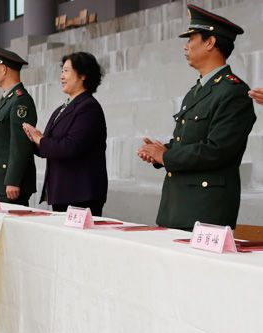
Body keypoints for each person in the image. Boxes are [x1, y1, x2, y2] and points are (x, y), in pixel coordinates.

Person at [137, 4, 256, 230]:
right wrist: (158, 151)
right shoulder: (196, 91)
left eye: (191, 38)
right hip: (177, 206)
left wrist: (167, 156)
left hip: (205, 209)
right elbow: (187, 142)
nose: (186, 45)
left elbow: (217, 149)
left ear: (210, 42)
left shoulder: (234, 91)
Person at [22, 52, 108, 215]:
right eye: (62, 71)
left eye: (66, 71)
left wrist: (41, 140)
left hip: (80, 194)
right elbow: (51, 145)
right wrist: (34, 140)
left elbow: (71, 147)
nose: (62, 76)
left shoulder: (88, 107)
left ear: (83, 75)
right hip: (63, 192)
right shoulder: (64, 107)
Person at [0, 45, 37, 205]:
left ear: (3, 69)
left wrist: (13, 180)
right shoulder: (8, 99)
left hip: (9, 185)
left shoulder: (20, 100)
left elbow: (20, 143)